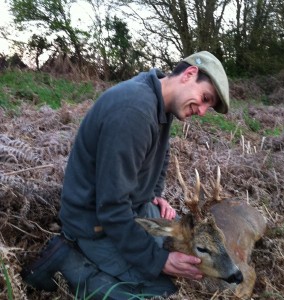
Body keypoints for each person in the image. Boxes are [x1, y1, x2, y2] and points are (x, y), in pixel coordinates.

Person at [21, 51, 230, 299]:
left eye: (209, 105)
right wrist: (158, 261)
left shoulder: (159, 101)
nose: (203, 111)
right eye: (205, 98)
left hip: (131, 207)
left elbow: (161, 156)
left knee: (169, 254)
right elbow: (111, 207)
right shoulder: (134, 111)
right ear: (190, 74)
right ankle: (66, 261)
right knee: (158, 289)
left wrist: (155, 195)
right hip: (94, 223)